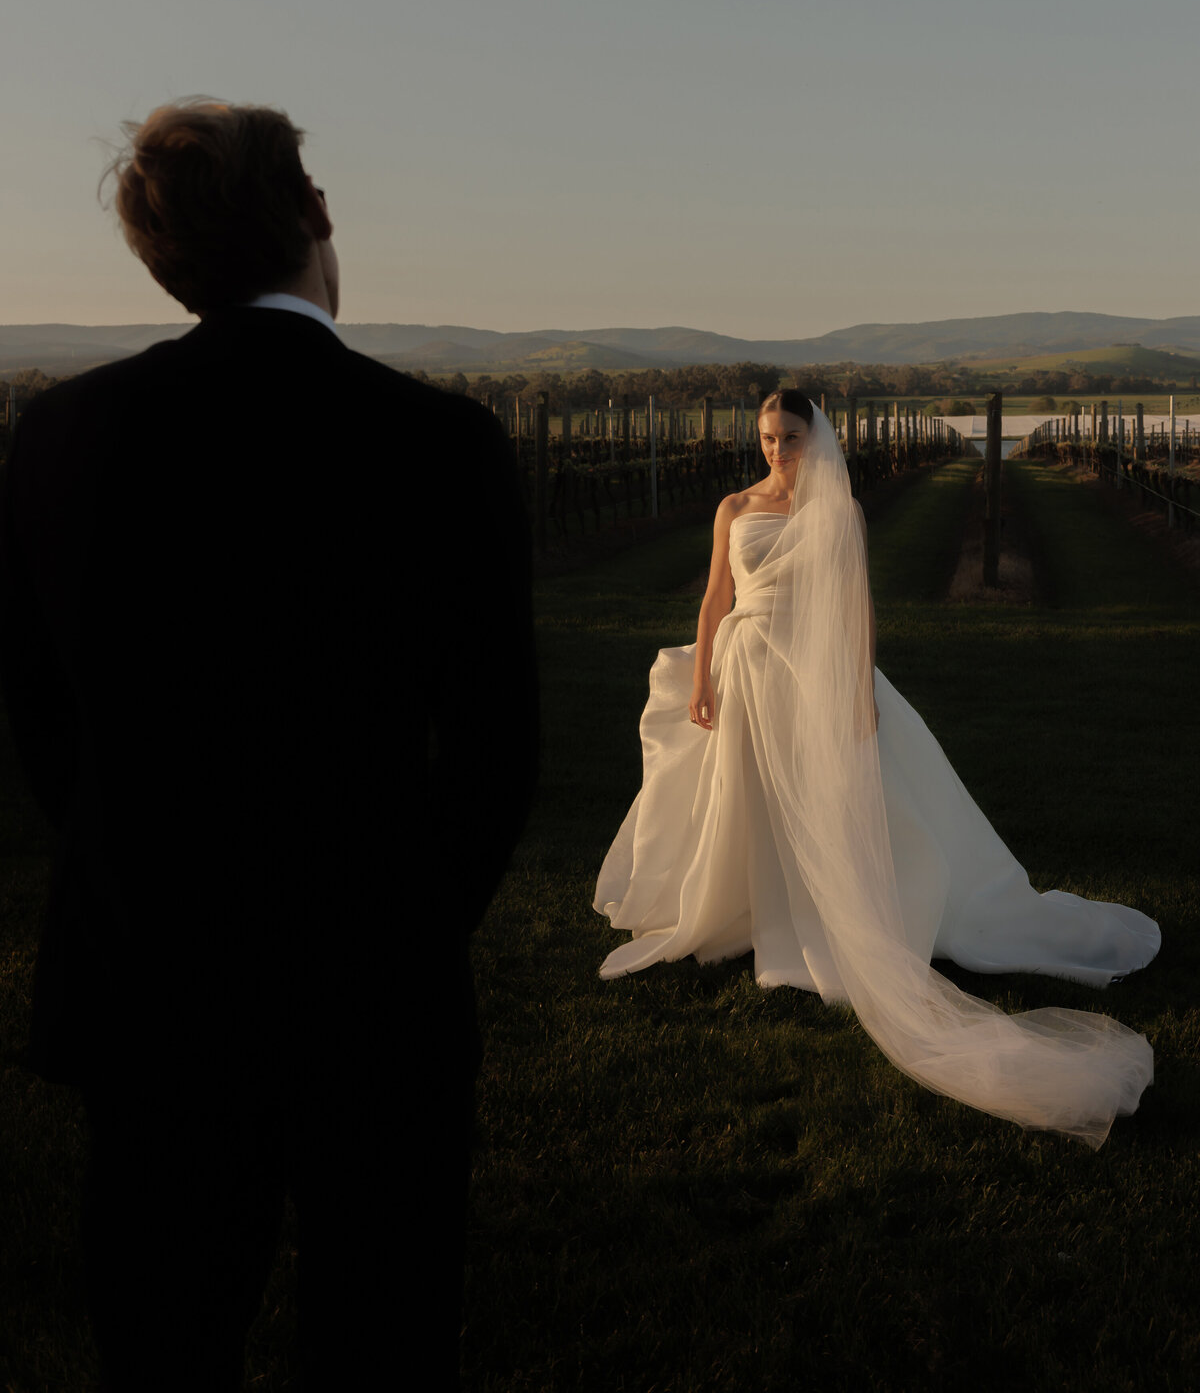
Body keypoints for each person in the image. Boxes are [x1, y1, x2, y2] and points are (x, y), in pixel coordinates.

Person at [0, 99, 536, 1390]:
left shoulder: (60, 435)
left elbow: (40, 719)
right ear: (316, 217)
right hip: (375, 990)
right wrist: (406, 920)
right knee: (381, 1329)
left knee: (162, 1333)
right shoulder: (442, 443)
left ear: (163, 257)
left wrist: (137, 867)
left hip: (147, 985)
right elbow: (494, 757)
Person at [595, 389, 1157, 1148]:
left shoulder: (841, 514)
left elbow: (856, 609)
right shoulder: (733, 508)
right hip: (745, 669)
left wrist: (857, 689)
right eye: (767, 439)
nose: (777, 452)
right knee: (748, 798)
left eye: (790, 438)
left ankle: (836, 912)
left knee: (838, 801)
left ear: (814, 437)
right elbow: (714, 599)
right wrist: (701, 680)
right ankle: (749, 906)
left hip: (812, 673)